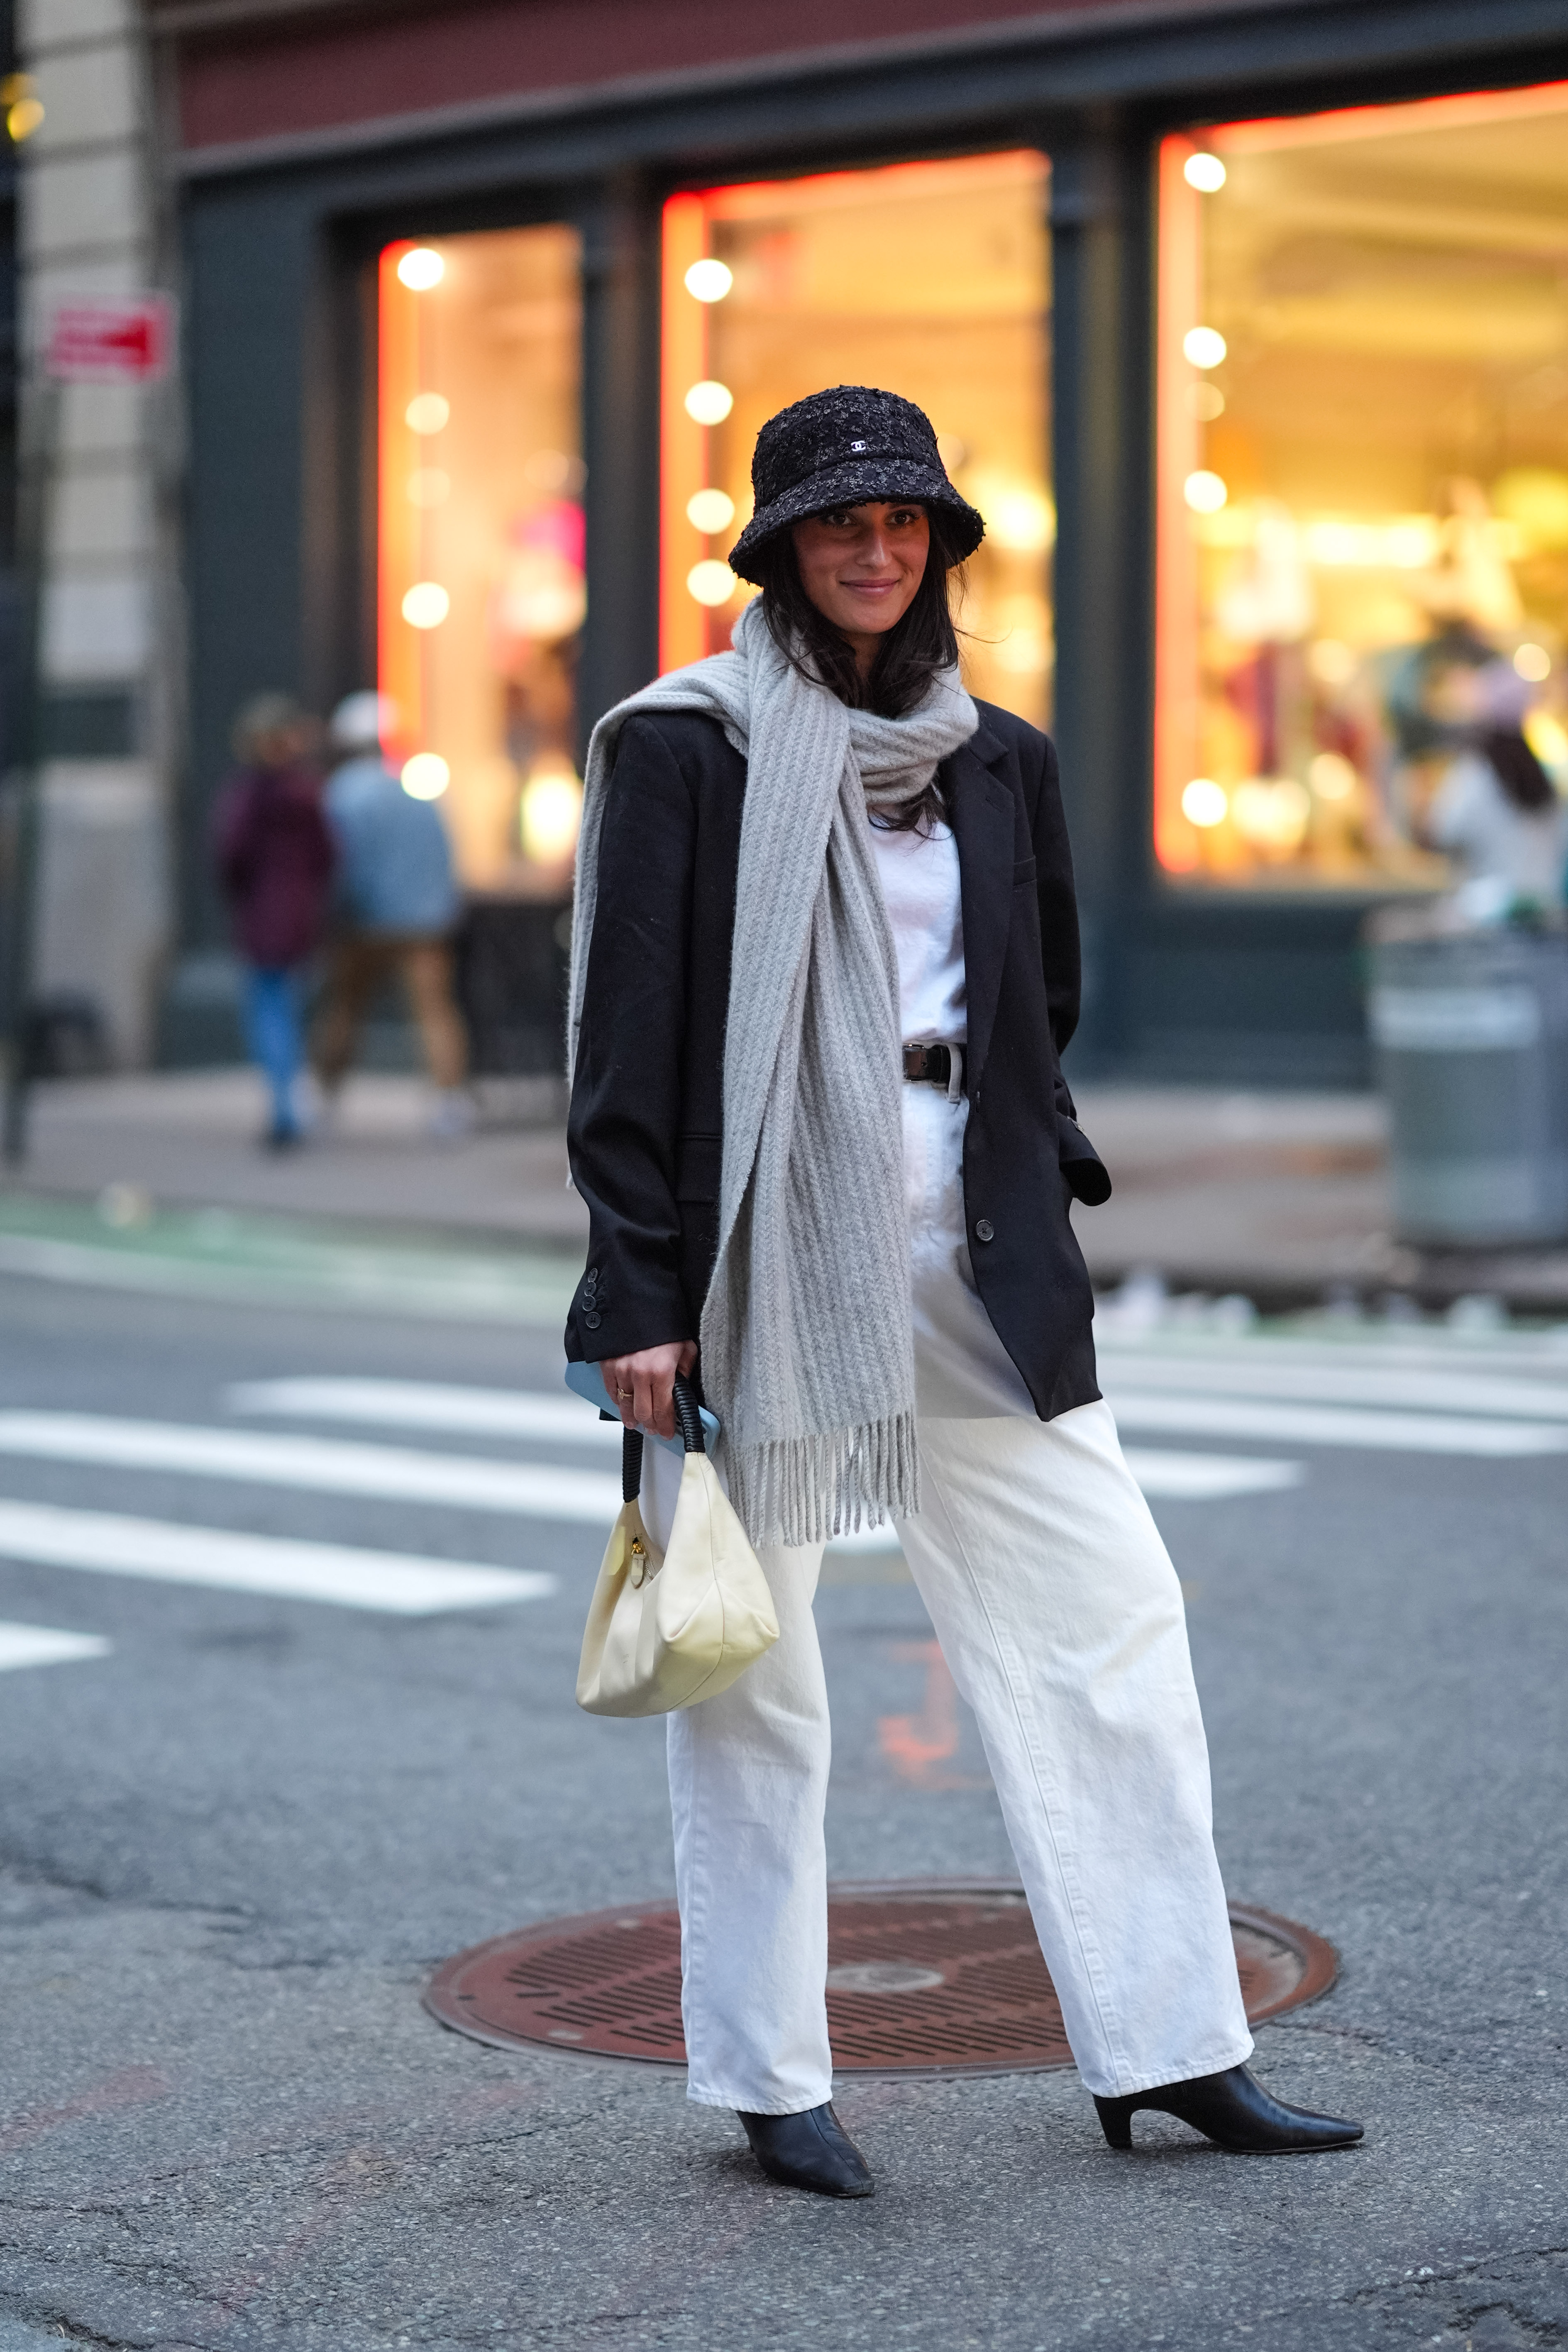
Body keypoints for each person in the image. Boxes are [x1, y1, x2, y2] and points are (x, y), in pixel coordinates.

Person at [565, 387, 1363, 2197]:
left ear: (935, 547)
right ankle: (772, 2078)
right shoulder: (683, 747)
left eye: (902, 521)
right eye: (839, 524)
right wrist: (636, 1291)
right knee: (753, 1675)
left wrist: (1033, 1155)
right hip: (763, 1259)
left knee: (1110, 1625)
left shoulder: (995, 754)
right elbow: (628, 1039)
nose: (873, 549)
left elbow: (1035, 995)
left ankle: (1170, 2043)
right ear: (780, 549)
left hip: (976, 1253)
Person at [311, 693, 471, 1137]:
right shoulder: (419, 787)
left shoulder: (342, 793)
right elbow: (444, 856)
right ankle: (449, 1103)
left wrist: (335, 914)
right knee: (435, 1012)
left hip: (362, 923)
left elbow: (339, 863)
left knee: (344, 1011)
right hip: (423, 924)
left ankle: (326, 1098)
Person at [212, 693, 335, 1150]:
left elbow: (231, 854)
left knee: (270, 1010)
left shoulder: (249, 796)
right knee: (289, 1008)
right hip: (299, 914)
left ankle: (284, 1107)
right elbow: (328, 855)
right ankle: (290, 1104)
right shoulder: (308, 794)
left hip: (264, 915)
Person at [1424, 657, 1567, 908]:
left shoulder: (1475, 773)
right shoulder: (1542, 774)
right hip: (1545, 905)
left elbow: (1442, 830)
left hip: (1488, 909)